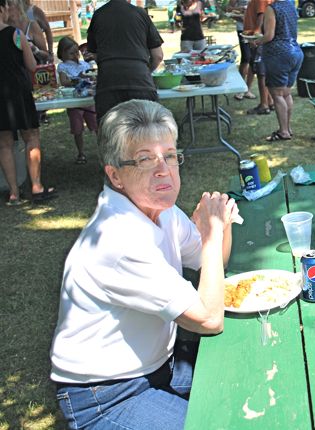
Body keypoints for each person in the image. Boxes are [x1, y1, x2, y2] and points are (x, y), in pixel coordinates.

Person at [50, 99, 239, 429]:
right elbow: (209, 319)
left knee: (246, 379)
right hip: (107, 396)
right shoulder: (119, 239)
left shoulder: (160, 209)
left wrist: (218, 226)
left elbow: (213, 264)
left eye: (169, 155)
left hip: (159, 366)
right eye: (144, 160)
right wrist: (211, 235)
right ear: (116, 175)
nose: (163, 169)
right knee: (220, 423)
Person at [0, 0, 56, 205]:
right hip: (19, 92)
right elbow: (32, 67)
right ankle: (36, 186)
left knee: (4, 144)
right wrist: (31, 51)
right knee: (31, 137)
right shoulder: (16, 34)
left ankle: (14, 193)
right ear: (2, 9)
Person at [87, 0, 164, 122]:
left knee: (110, 133)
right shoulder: (140, 14)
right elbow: (158, 55)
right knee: (146, 132)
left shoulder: (98, 15)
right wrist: (146, 71)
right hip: (140, 80)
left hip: (108, 82)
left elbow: (95, 54)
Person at [258, 0, 302, 141]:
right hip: (295, 52)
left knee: (277, 95)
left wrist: (256, 41)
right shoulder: (291, 5)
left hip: (278, 54)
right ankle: (287, 128)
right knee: (286, 93)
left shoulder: (272, 8)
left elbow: (269, 35)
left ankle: (283, 131)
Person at [56, 36, 98, 165]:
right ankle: (81, 152)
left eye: (76, 52)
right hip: (74, 102)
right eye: (71, 53)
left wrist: (92, 77)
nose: (75, 55)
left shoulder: (85, 64)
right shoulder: (63, 66)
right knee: (77, 129)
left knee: (96, 125)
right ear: (62, 54)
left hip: (88, 99)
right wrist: (77, 78)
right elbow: (64, 82)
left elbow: (93, 78)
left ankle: (103, 149)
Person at [243, 0, 272, 115]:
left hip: (258, 39)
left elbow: (261, 14)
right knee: (262, 71)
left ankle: (264, 105)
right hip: (257, 37)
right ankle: (270, 101)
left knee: (261, 73)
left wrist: (256, 33)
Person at [227, 0, 256, 100]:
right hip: (242, 28)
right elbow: (229, 9)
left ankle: (248, 89)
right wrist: (240, 12)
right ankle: (240, 89)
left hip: (256, 29)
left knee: (253, 58)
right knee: (246, 57)